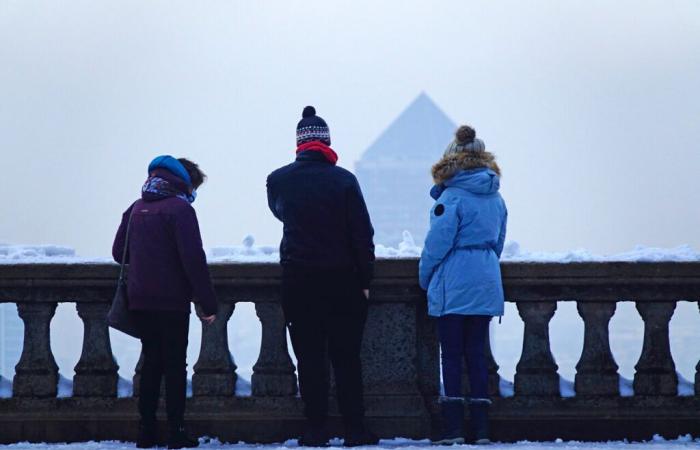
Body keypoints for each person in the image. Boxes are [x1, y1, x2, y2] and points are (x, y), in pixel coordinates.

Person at [266, 106, 378, 447]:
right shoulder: (345, 180)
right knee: (346, 359)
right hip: (343, 281)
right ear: (327, 142)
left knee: (309, 359)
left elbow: (278, 212)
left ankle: (315, 429)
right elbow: (362, 235)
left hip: (298, 282)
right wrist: (365, 280)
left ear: (298, 144)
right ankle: (355, 430)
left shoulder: (278, 179)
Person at [112, 156, 218, 449]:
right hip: (172, 301)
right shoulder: (180, 210)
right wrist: (208, 303)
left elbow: (119, 252)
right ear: (185, 182)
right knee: (174, 366)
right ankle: (175, 431)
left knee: (150, 363)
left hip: (140, 299)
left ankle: (145, 432)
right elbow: (193, 260)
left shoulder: (135, 209)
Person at [419, 126, 507, 445]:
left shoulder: (452, 197)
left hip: (454, 280)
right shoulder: (496, 197)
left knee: (452, 355)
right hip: (486, 276)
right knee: (477, 354)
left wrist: (425, 277)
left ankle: (454, 428)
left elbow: (436, 245)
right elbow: (498, 242)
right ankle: (482, 429)